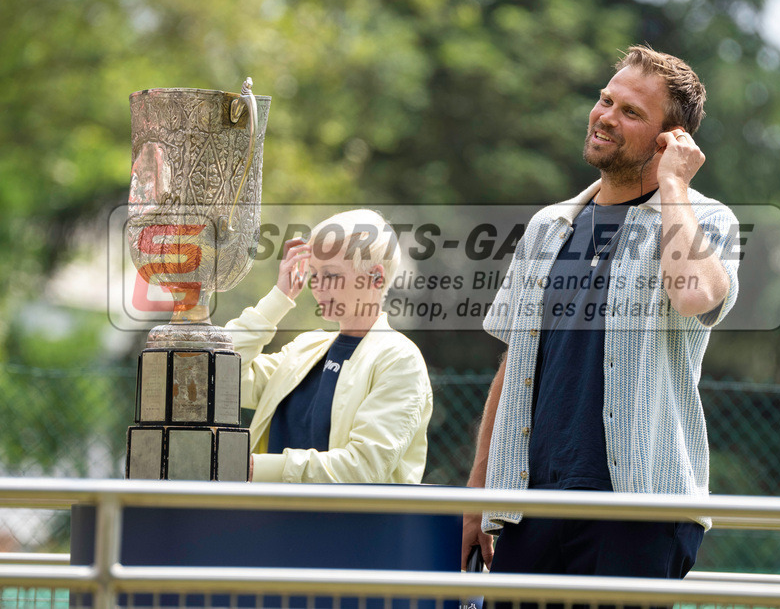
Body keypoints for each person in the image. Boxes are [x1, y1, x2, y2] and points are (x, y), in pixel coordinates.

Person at [461, 46, 741, 580]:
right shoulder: (548, 226)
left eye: (631, 112)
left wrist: (674, 184)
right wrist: (479, 491)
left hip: (639, 512)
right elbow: (514, 365)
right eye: (606, 100)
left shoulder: (708, 219)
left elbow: (695, 296)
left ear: (670, 140)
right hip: (529, 509)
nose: (606, 116)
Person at [225, 209, 433, 483]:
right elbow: (223, 376)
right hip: (270, 523)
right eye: (313, 274)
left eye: (331, 275)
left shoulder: (399, 359)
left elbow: (363, 469)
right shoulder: (306, 347)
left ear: (376, 277)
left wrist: (254, 468)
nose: (318, 287)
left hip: (347, 526)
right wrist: (279, 298)